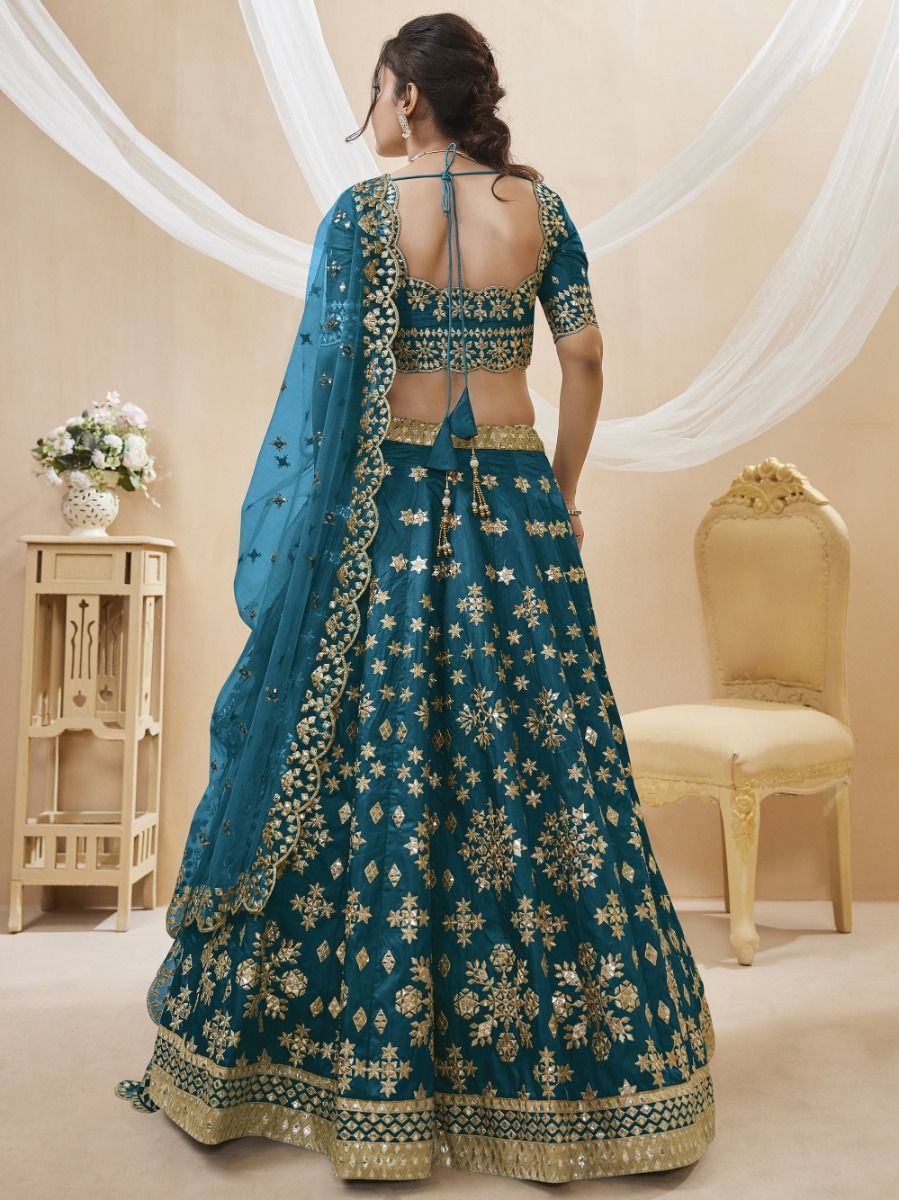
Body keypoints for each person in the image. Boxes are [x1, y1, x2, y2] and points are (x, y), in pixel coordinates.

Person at [115, 13, 716, 1183]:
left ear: (407, 96)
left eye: (378, 88)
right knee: (546, 759)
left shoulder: (360, 217)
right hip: (515, 503)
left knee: (373, 753)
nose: (373, 110)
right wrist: (560, 488)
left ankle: (345, 1067)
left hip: (387, 513)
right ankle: (586, 1083)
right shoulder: (537, 210)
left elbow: (328, 390)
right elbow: (584, 357)